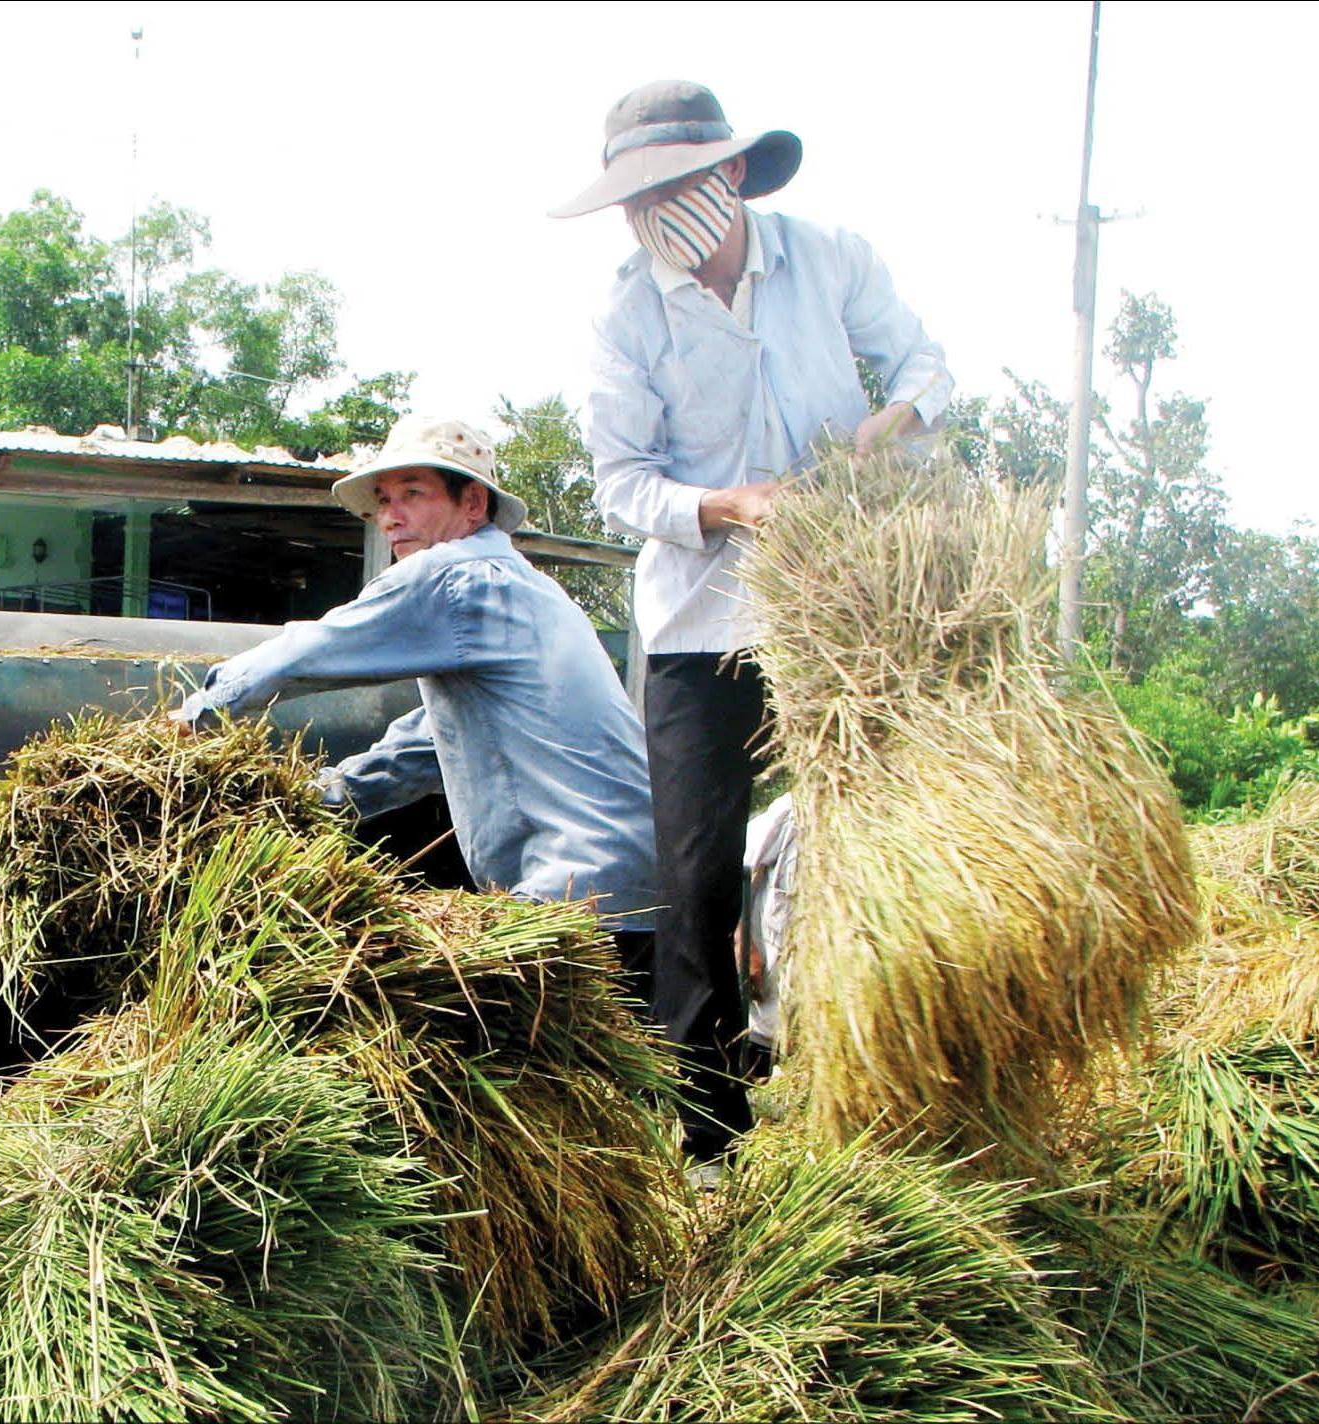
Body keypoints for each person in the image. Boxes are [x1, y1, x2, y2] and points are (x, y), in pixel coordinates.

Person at [552, 79, 953, 1166]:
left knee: (879, 845)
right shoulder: (626, 314)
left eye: (677, 185)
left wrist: (882, 432)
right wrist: (728, 506)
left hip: (843, 613)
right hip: (700, 624)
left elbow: (926, 366)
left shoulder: (826, 258)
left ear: (731, 173)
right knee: (696, 876)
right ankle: (709, 1139)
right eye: (638, 198)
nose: (658, 213)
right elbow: (620, 484)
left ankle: (897, 1091)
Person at [175, 413, 659, 962]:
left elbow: (314, 649)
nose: (390, 517)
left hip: (571, 889)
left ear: (472, 504)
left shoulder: (457, 577)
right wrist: (312, 800)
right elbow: (426, 747)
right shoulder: (523, 592)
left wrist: (200, 715)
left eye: (412, 494)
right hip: (635, 888)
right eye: (382, 500)